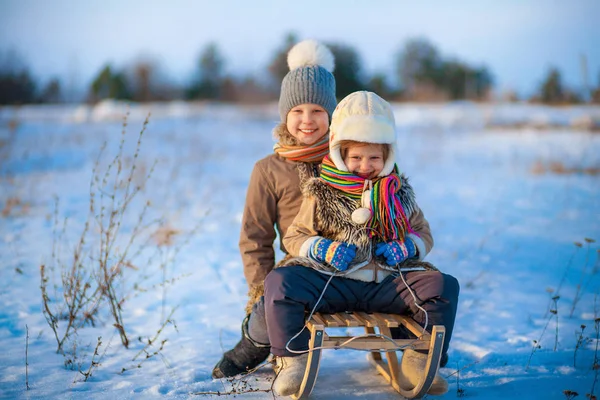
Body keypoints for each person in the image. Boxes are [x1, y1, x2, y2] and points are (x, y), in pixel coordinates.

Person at [263, 91, 460, 396]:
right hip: (333, 282)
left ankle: (419, 360)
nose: (364, 165)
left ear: (387, 157)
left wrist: (407, 247)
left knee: (443, 286)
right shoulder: (322, 190)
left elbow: (424, 233)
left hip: (388, 285)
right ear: (341, 154)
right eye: (355, 157)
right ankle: (293, 360)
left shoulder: (398, 193)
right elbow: (293, 236)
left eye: (374, 157)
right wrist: (320, 248)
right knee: (281, 282)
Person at [211, 39, 338, 378]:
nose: (307, 120)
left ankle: (411, 344)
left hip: (346, 267)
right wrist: (260, 290)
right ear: (285, 115)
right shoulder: (269, 169)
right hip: (296, 270)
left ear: (332, 115)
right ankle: (254, 341)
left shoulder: (348, 161)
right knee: (271, 309)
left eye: (317, 111)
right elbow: (254, 236)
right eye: (297, 111)